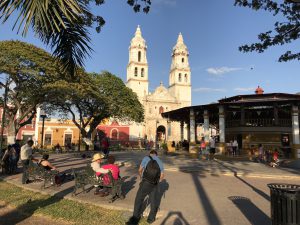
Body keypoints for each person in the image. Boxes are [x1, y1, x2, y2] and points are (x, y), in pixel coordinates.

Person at [126, 150, 164, 225]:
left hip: (145, 183)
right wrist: (156, 181)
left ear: (150, 154)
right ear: (156, 155)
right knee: (153, 201)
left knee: (139, 199)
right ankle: (151, 219)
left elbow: (140, 170)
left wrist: (141, 177)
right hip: (154, 184)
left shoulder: (146, 158)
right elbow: (162, 176)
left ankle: (135, 219)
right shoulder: (159, 161)